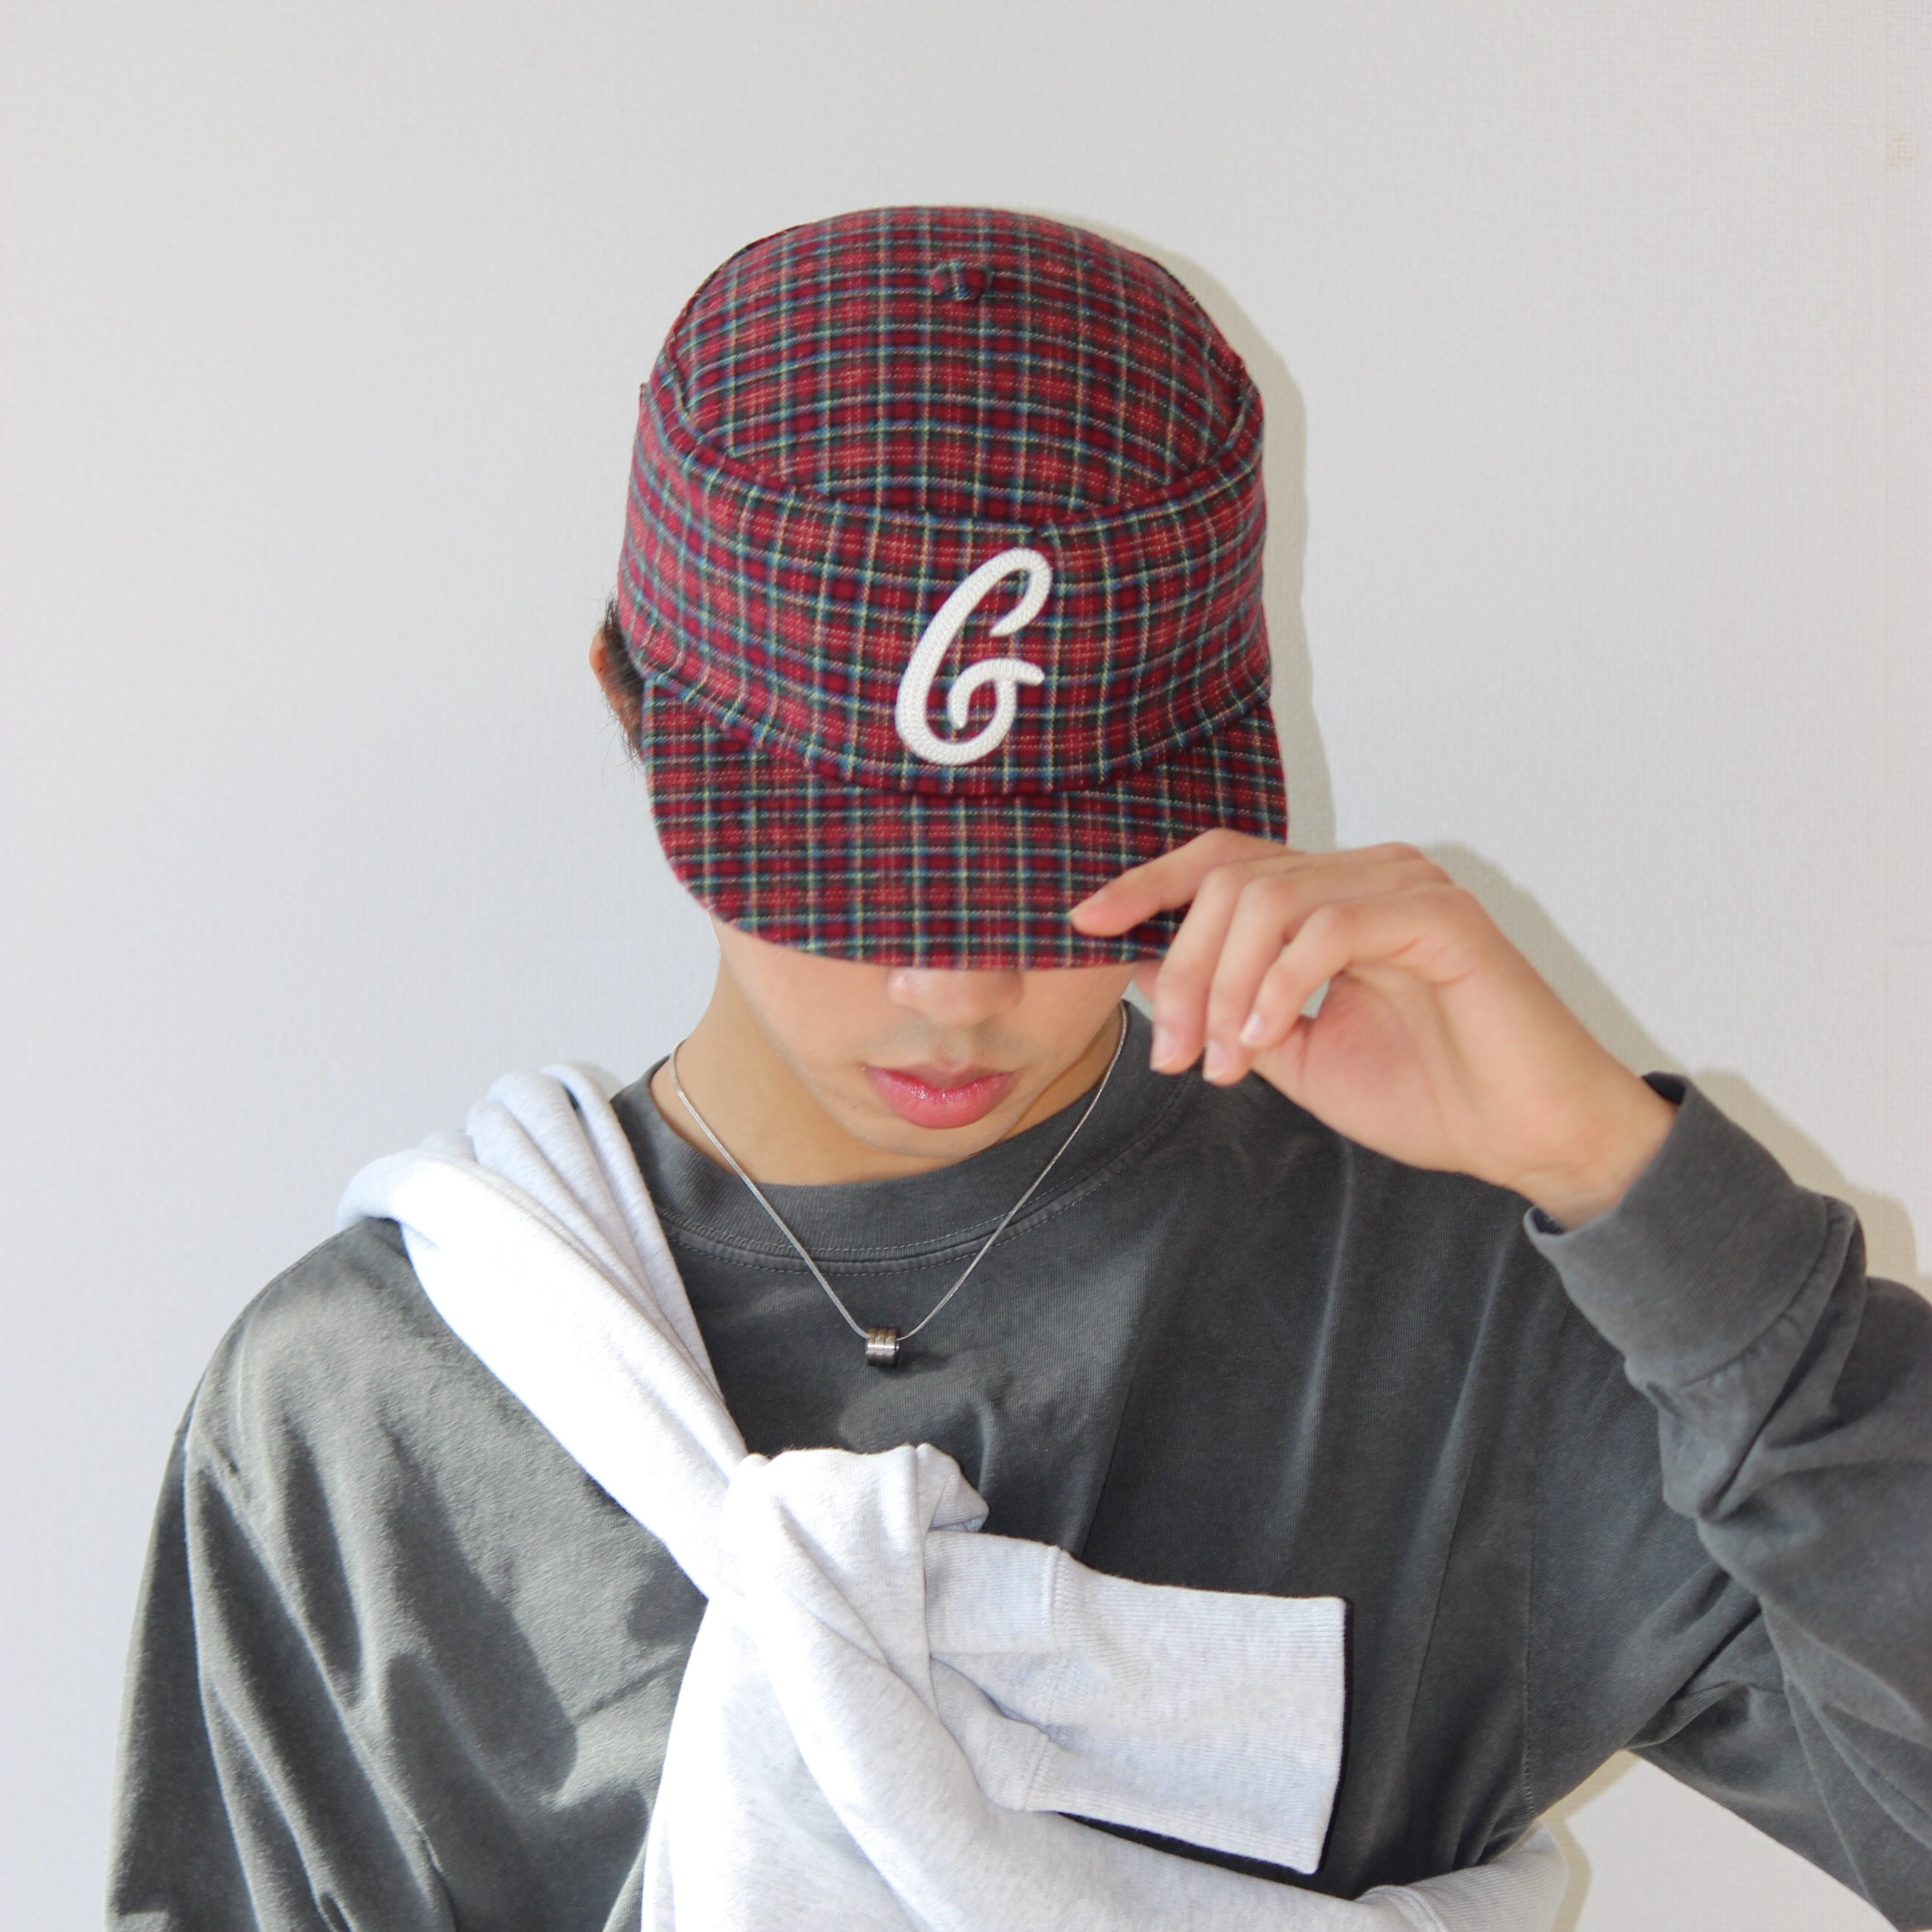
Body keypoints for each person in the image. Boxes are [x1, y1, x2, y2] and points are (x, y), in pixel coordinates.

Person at [108, 207, 1932, 1930]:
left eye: (1045, 866)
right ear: (627, 694)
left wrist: (1614, 1175)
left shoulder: (1467, 1317)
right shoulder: (380, 1406)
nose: (947, 988)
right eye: (837, 866)